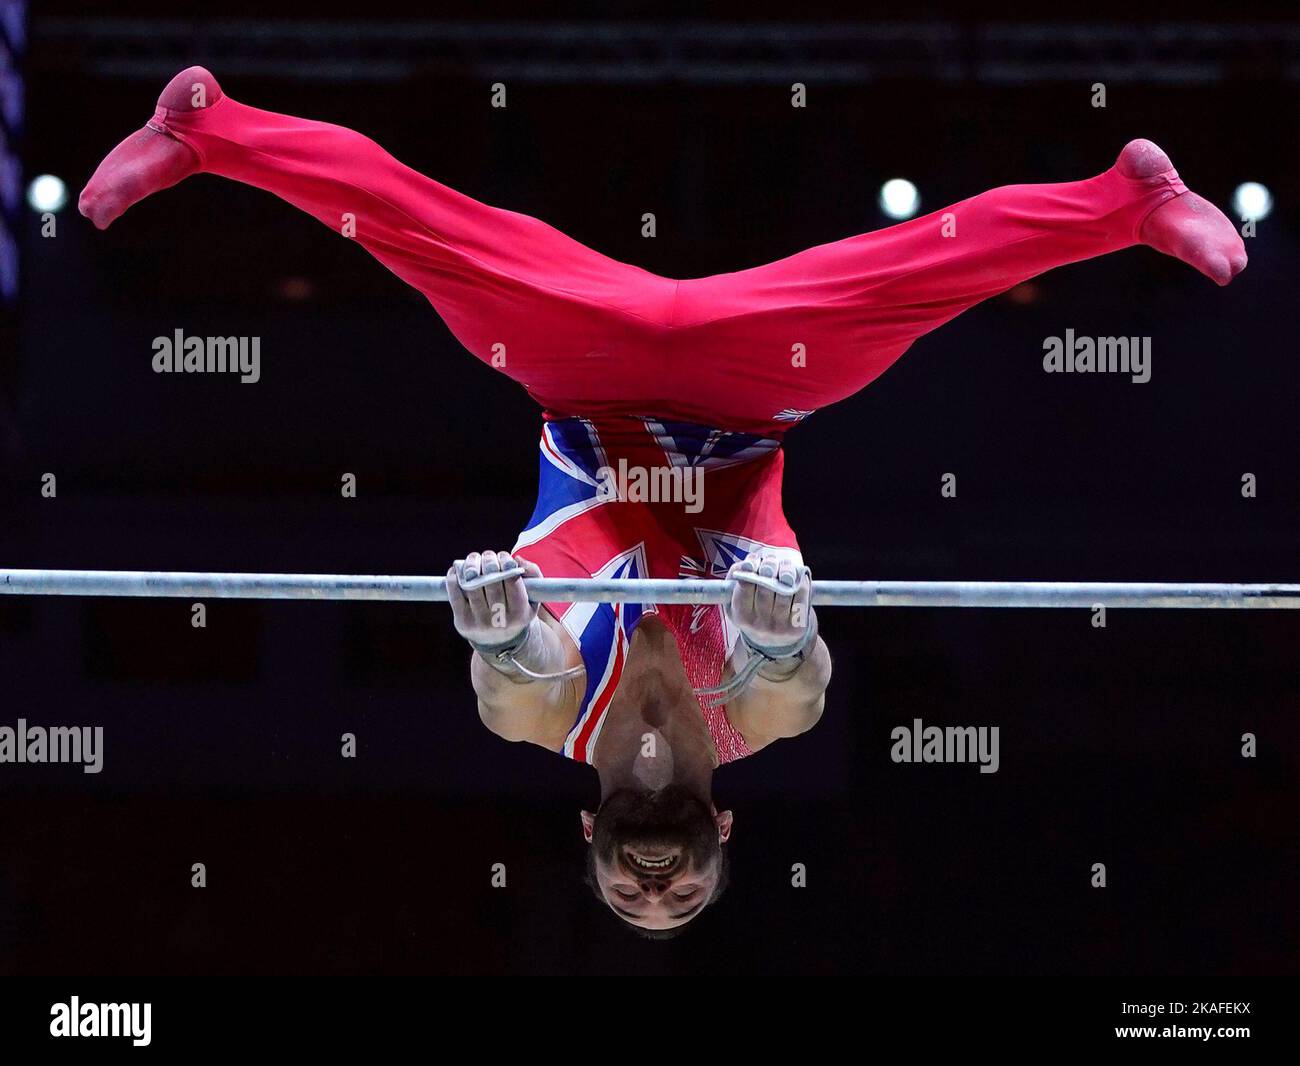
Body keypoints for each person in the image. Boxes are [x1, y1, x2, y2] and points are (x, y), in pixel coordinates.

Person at [80, 67, 1246, 934]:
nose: (655, 881)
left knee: (437, 234)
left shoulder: (541, 721)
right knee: (905, 277)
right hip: (752, 396)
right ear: (724, 837)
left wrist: (501, 624)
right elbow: (790, 678)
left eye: (629, 892)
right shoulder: (762, 723)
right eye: (683, 894)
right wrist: (780, 627)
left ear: (586, 840)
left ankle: (207, 133)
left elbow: (521, 667)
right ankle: (1124, 204)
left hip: (577, 377)